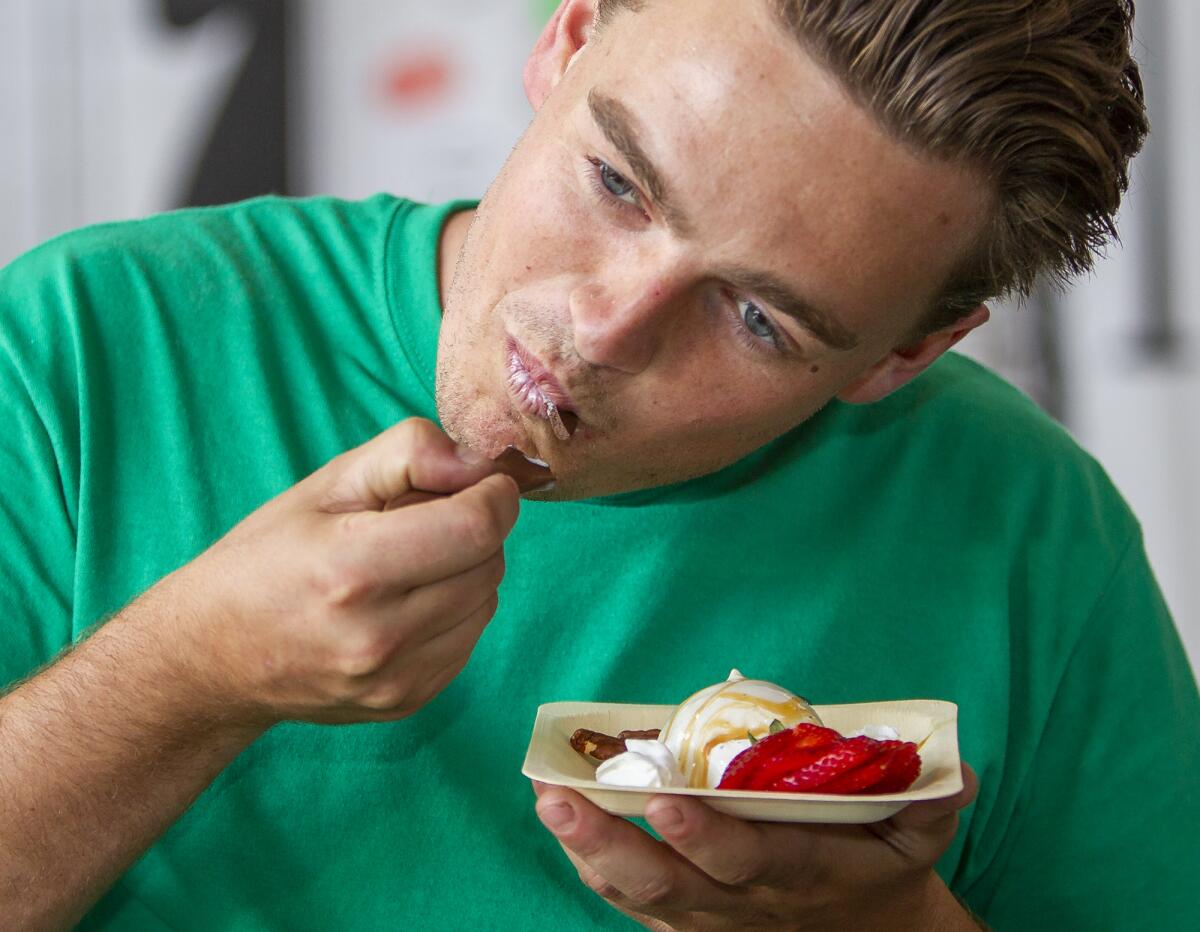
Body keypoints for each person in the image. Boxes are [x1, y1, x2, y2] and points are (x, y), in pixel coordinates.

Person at [1, 0, 1197, 928]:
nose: (607, 327)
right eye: (618, 182)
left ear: (904, 354)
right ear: (567, 40)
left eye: (756, 320)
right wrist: (187, 673)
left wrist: (884, 921)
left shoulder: (1034, 535)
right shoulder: (90, 342)